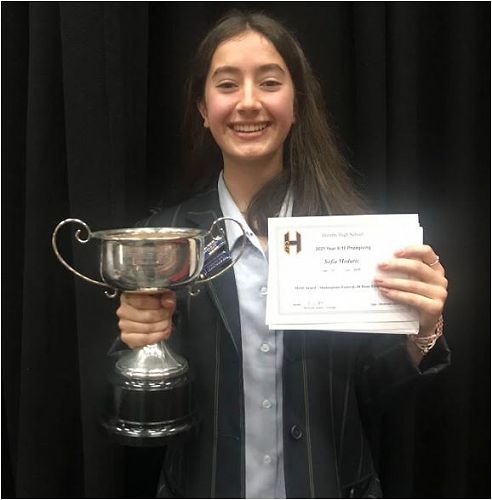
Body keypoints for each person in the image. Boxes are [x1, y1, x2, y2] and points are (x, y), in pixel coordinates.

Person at [116, 11, 449, 498]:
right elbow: (130, 408)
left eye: (270, 82)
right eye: (227, 84)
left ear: (296, 104)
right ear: (204, 108)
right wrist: (139, 342)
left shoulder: (352, 239)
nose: (249, 102)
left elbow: (375, 392)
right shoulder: (163, 240)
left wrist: (422, 330)